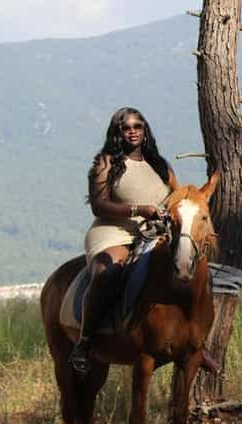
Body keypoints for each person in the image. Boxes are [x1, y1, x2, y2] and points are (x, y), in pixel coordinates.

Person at [68, 107, 172, 373]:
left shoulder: (160, 166)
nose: (133, 131)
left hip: (153, 232)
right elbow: (98, 205)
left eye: (138, 125)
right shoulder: (105, 163)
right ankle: (86, 341)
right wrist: (141, 210)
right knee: (109, 273)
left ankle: (192, 338)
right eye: (126, 127)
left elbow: (175, 197)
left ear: (145, 130)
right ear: (117, 132)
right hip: (114, 231)